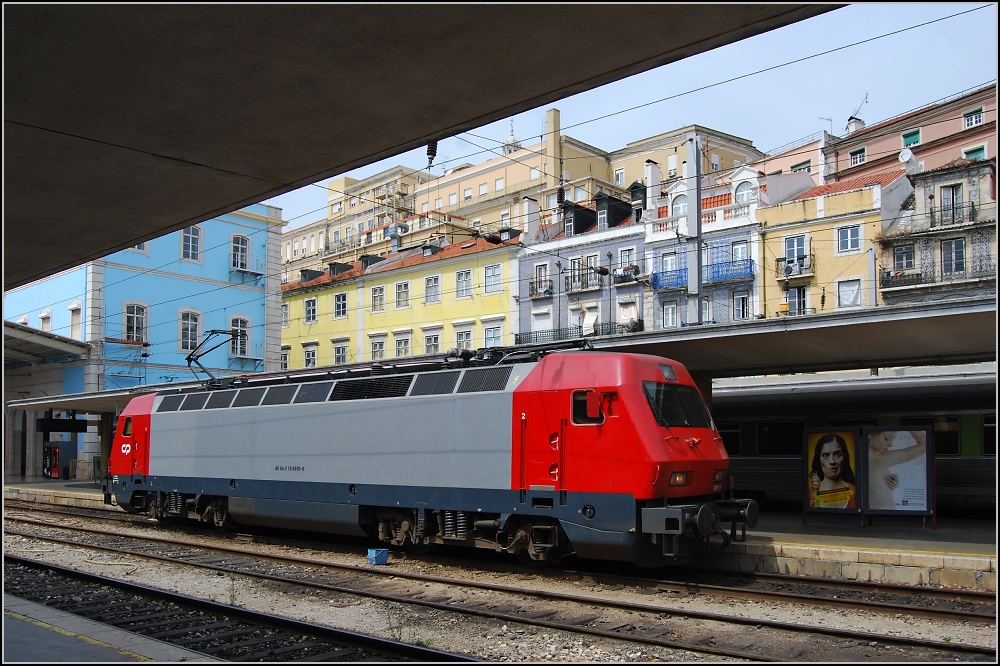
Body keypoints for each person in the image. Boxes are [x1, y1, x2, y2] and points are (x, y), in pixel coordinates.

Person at [867, 430, 927, 511]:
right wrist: (908, 422)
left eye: (893, 440)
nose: (890, 444)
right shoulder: (883, 458)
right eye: (886, 438)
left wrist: (885, 487)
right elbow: (925, 445)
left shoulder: (882, 458)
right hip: (884, 515)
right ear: (870, 435)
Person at [809, 433, 856, 509]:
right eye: (825, 455)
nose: (832, 461)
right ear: (818, 460)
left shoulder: (856, 492)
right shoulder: (810, 493)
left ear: (844, 458)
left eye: (837, 455)